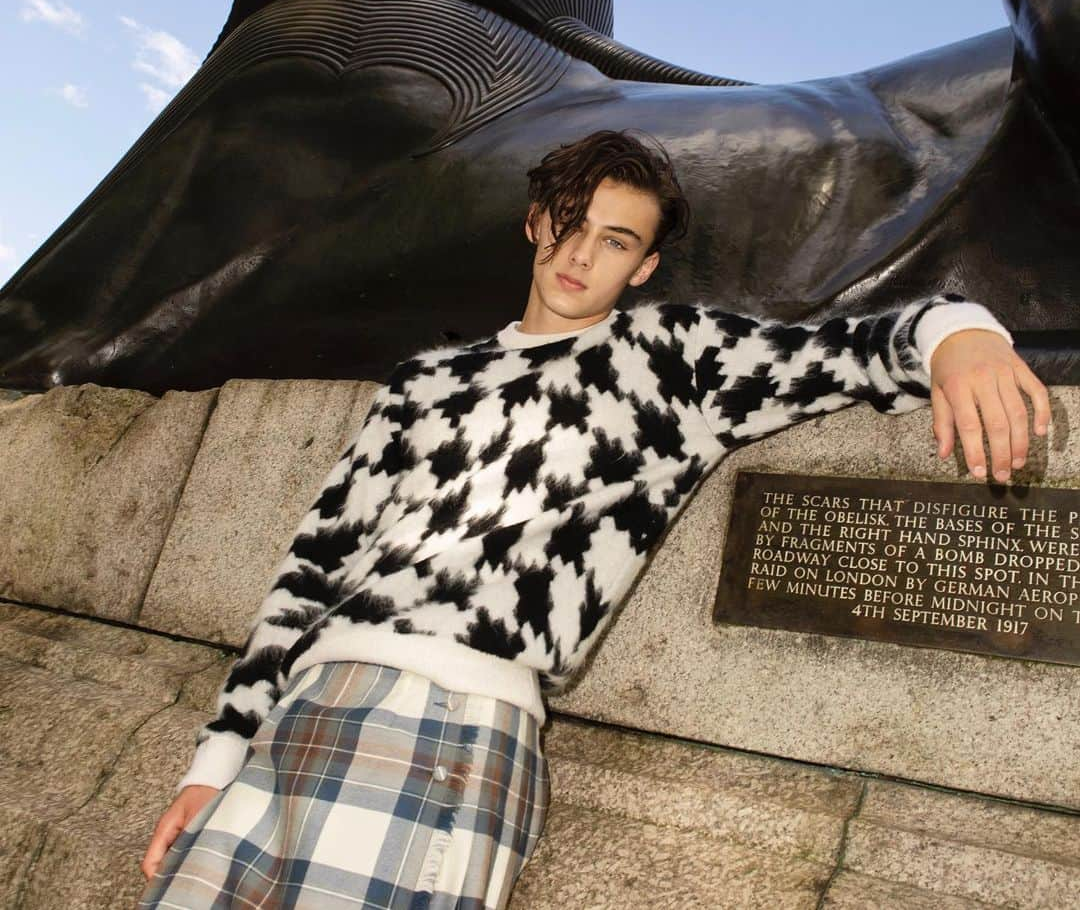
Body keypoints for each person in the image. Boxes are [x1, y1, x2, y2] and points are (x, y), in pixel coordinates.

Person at [138, 128, 1050, 908]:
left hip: (448, 717)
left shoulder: (670, 357)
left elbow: (836, 355)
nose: (581, 255)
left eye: (614, 241)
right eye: (569, 227)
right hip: (298, 712)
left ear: (643, 264)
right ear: (536, 224)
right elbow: (306, 573)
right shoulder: (423, 383)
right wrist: (213, 764)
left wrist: (955, 333)